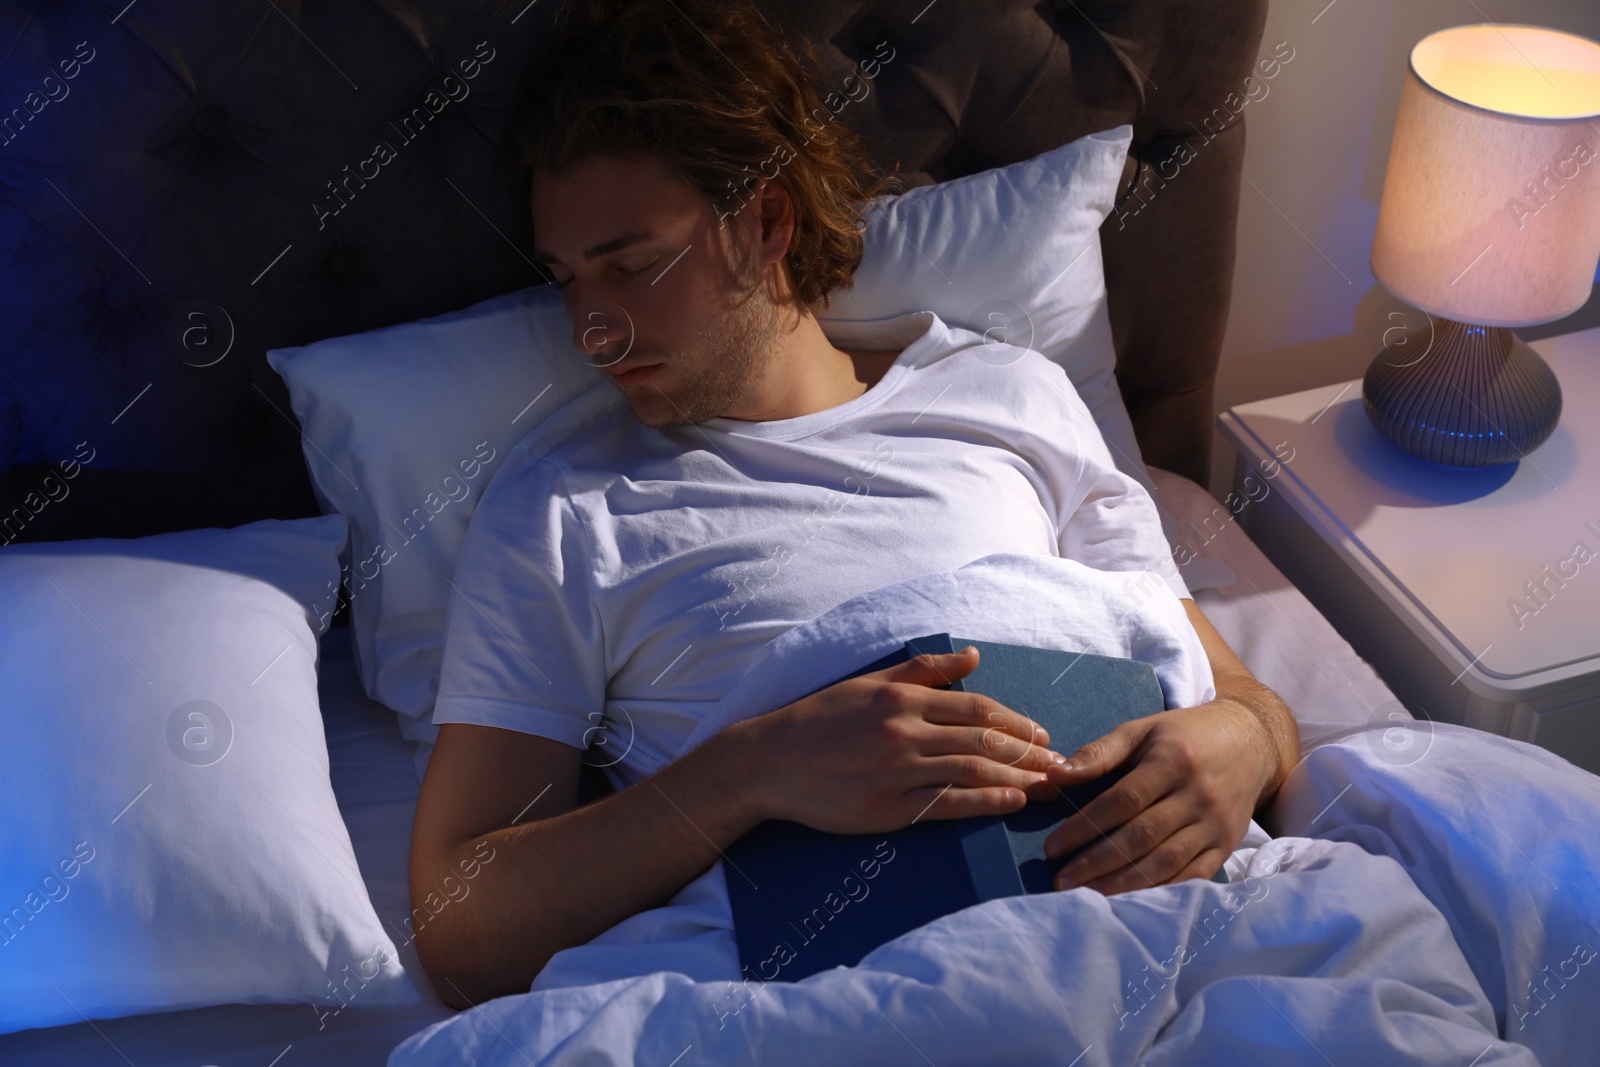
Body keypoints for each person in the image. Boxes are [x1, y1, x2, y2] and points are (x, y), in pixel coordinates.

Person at [409, 0, 1300, 1009]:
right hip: (853, 986)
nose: (593, 332)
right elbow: (458, 928)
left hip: (1159, 919)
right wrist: (752, 769)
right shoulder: (562, 506)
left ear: (767, 221)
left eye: (632, 263)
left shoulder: (1010, 393)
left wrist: (1244, 744)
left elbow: (1236, 691)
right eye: (567, 279)